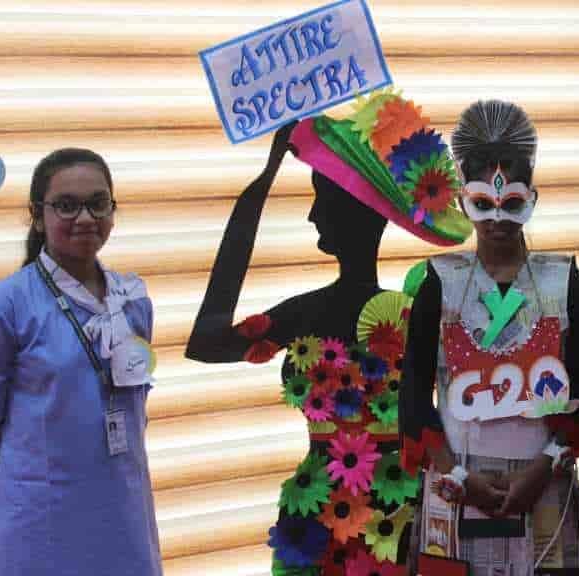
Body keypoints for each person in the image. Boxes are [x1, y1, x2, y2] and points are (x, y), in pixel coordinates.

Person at [186, 91, 472, 574]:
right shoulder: (318, 313)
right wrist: (261, 184)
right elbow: (207, 344)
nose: (312, 215)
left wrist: (263, 187)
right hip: (317, 518)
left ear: (354, 211)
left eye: (320, 198)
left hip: (397, 517)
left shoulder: (411, 311)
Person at [400, 100, 579, 575]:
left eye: (511, 204)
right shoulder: (440, 281)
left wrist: (543, 467)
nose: (497, 219)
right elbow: (413, 393)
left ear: (532, 200)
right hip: (455, 482)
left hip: (544, 480)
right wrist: (456, 473)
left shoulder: (562, 280)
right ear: (462, 202)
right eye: (483, 204)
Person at [0, 148, 162, 575]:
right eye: (66, 205)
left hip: (123, 502)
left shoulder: (132, 300)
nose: (85, 218)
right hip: (41, 511)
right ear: (37, 215)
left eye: (98, 203)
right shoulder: (6, 305)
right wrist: (48, 450)